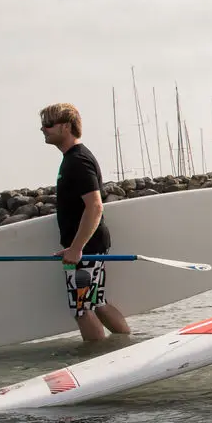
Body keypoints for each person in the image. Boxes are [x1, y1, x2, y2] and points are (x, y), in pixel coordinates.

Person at [39, 102, 131, 343]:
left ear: (66, 126)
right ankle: (126, 345)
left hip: (85, 249)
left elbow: (95, 205)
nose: (43, 129)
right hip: (89, 247)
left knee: (81, 309)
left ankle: (98, 360)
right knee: (97, 302)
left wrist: (77, 248)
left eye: (48, 124)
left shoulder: (77, 161)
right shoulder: (73, 158)